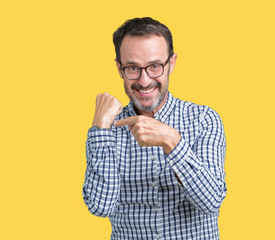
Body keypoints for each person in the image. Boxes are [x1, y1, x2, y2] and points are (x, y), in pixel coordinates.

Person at [82, 17, 227, 240]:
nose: (144, 80)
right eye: (133, 68)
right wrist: (100, 130)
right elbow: (100, 207)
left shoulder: (204, 119)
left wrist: (172, 142)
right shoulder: (108, 127)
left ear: (172, 63)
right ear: (120, 69)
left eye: (155, 66)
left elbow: (211, 200)